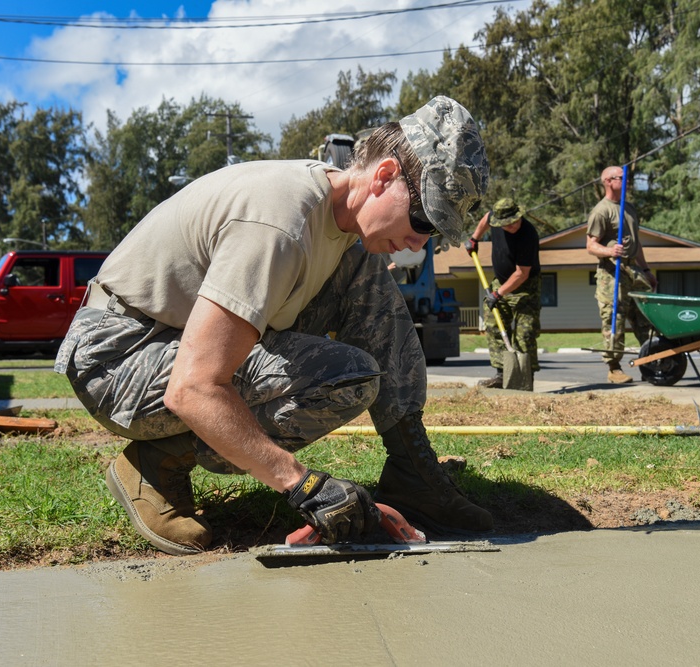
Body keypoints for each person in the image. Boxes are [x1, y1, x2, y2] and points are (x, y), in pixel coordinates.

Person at [54, 96, 494, 555]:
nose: (419, 242)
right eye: (424, 219)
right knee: (346, 378)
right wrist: (303, 485)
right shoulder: (282, 223)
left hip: (170, 339)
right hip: (118, 353)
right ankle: (155, 461)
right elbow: (193, 387)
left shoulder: (342, 223)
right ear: (384, 176)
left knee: (365, 272)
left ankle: (412, 472)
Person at [585, 166, 658, 384]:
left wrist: (646, 270)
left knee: (645, 316)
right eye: (622, 179)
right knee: (614, 318)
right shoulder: (601, 211)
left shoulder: (629, 208)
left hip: (633, 270)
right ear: (608, 181)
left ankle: (650, 363)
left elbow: (636, 243)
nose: (627, 182)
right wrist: (609, 251)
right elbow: (590, 246)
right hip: (612, 273)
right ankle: (614, 368)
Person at [464, 197, 541, 389]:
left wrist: (497, 294)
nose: (511, 226)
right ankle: (501, 374)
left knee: (525, 333)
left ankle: (525, 377)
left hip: (526, 287)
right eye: (506, 224)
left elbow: (522, 274)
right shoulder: (495, 219)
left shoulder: (528, 234)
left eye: (514, 222)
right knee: (494, 325)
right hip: (501, 281)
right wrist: (475, 238)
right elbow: (486, 219)